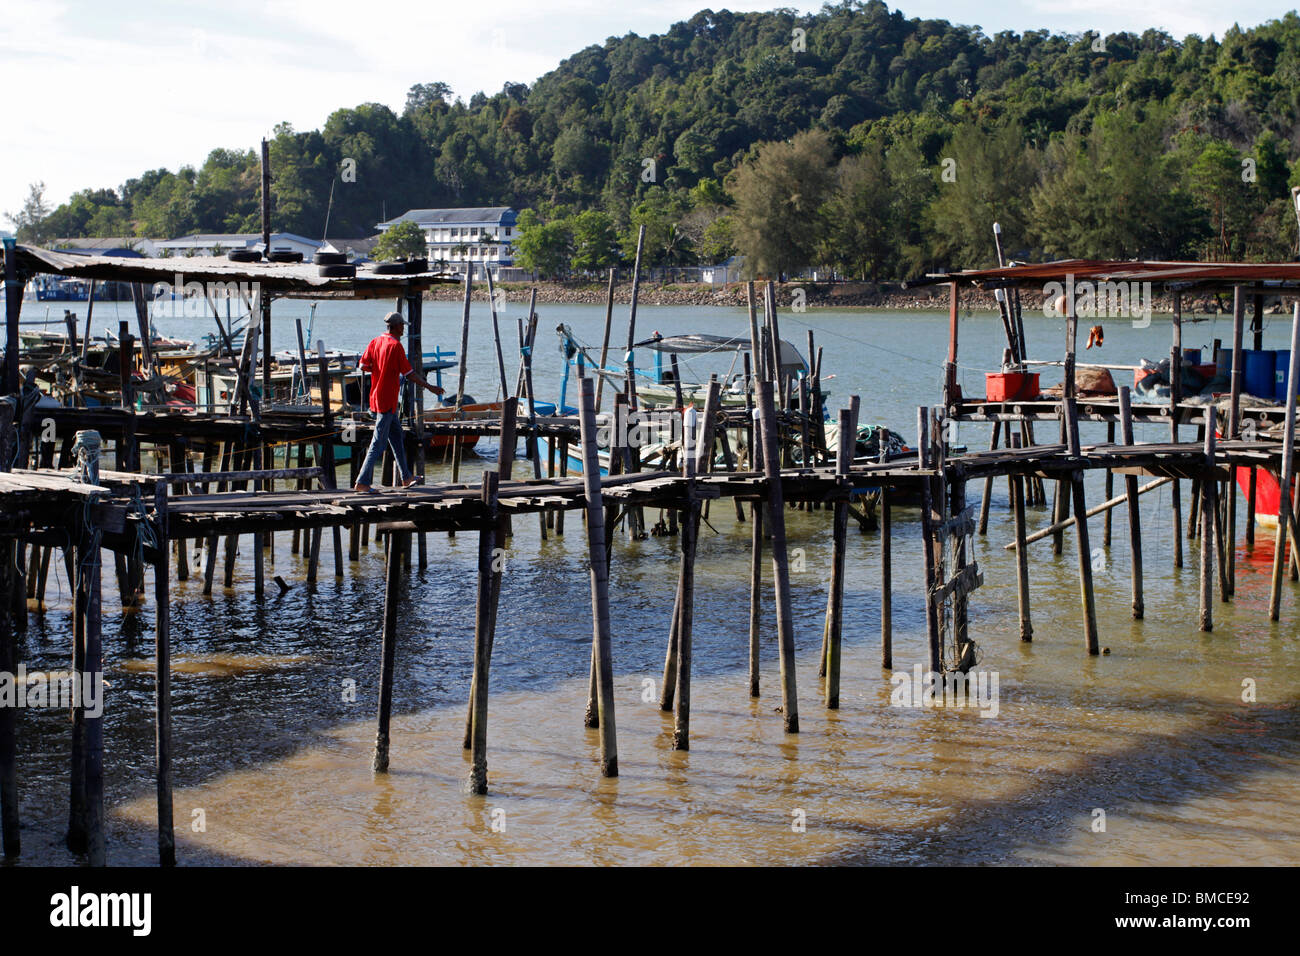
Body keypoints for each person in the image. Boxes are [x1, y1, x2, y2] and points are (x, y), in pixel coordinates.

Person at [353, 312, 444, 492]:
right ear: (395, 326)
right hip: (387, 402)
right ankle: (362, 482)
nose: (403, 329)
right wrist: (430, 387)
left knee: (397, 439)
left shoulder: (375, 341)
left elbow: (363, 365)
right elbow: (409, 374)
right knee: (377, 443)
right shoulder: (396, 346)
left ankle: (406, 477)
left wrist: (378, 370)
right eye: (402, 325)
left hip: (378, 399)